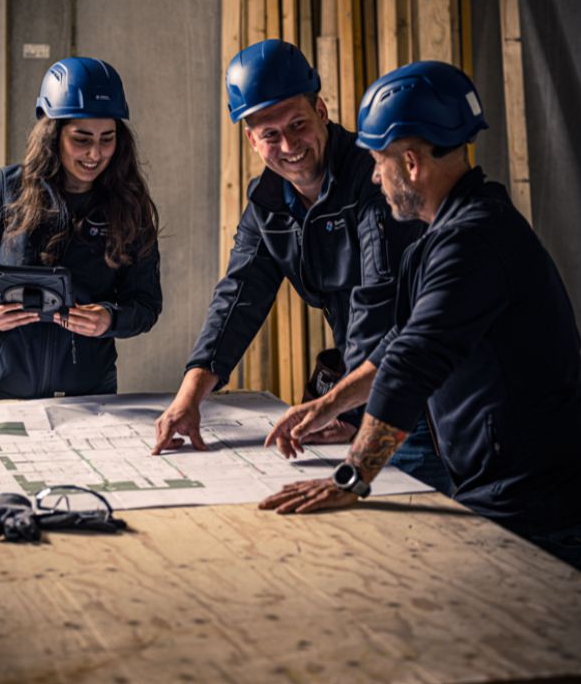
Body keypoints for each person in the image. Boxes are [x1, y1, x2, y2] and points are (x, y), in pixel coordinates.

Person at [261, 60, 581, 572]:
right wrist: (327, 405)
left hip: (530, 504)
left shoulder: (472, 241)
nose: (373, 176)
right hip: (501, 488)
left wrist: (350, 478)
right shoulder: (453, 228)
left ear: (410, 163)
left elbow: (413, 364)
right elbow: (400, 340)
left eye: (377, 162)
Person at [153, 39, 451, 492]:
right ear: (251, 139)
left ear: (321, 110)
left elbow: (383, 307)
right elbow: (238, 297)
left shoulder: (373, 179)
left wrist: (345, 408)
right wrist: (189, 397)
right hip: (364, 391)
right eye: (270, 135)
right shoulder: (268, 201)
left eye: (298, 125)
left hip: (418, 404)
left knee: (427, 535)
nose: (289, 145)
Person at [0, 56, 162, 400]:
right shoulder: (7, 189)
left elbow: (147, 304)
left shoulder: (129, 206)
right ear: (53, 132)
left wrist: (110, 319)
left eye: (108, 138)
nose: (95, 153)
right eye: (81, 138)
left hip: (88, 395)